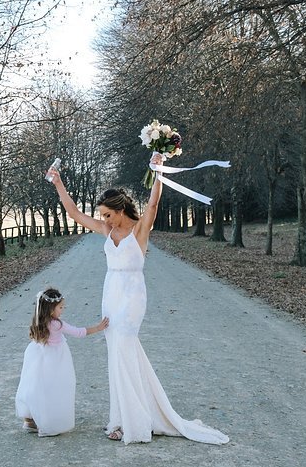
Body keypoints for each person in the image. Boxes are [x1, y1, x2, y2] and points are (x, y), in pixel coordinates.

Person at [47, 155, 229, 445]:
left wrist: (158, 172)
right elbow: (75, 215)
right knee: (117, 354)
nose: (104, 220)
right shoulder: (106, 230)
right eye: (102, 215)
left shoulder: (140, 229)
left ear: (120, 210)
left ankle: (132, 421)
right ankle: (121, 418)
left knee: (124, 345)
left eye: (108, 214)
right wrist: (58, 183)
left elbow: (154, 204)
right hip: (110, 294)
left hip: (132, 297)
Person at [15, 287, 109, 437]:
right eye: (60, 307)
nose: (62, 310)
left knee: (36, 388)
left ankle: (30, 420)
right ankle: (48, 423)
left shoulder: (38, 322)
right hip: (55, 361)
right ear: (51, 308)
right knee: (54, 390)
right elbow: (78, 332)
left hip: (37, 359)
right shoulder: (56, 324)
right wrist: (98, 328)